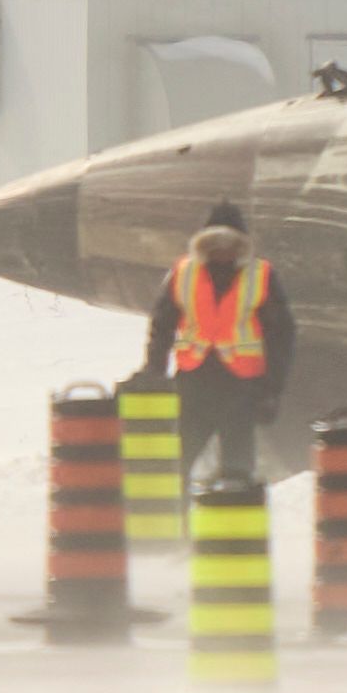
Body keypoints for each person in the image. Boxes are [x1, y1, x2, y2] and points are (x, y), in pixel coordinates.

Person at [138, 205, 292, 486]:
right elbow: (162, 325)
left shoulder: (262, 276)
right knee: (177, 466)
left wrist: (272, 388)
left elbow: (281, 335)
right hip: (193, 383)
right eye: (215, 242)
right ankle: (179, 526)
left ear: (242, 245)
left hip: (242, 389)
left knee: (237, 472)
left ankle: (232, 528)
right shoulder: (183, 273)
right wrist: (154, 370)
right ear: (203, 243)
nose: (222, 249)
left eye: (230, 242)